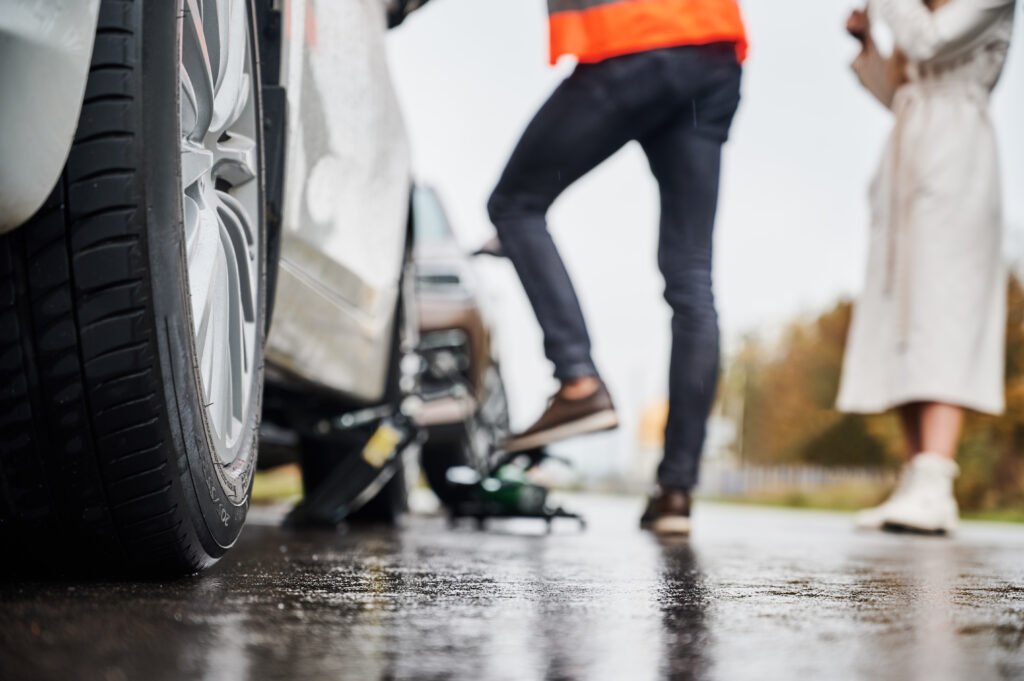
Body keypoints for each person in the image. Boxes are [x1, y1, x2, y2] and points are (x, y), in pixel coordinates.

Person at [486, 0, 748, 535]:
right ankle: (676, 490)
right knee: (692, 279)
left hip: (630, 41)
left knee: (515, 204)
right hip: (713, 50)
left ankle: (578, 380)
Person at [839, 0, 1017, 534]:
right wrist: (867, 46)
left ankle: (937, 480)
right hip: (907, 156)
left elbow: (929, 43)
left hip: (957, 156)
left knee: (944, 307)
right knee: (902, 312)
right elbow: (899, 93)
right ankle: (916, 480)